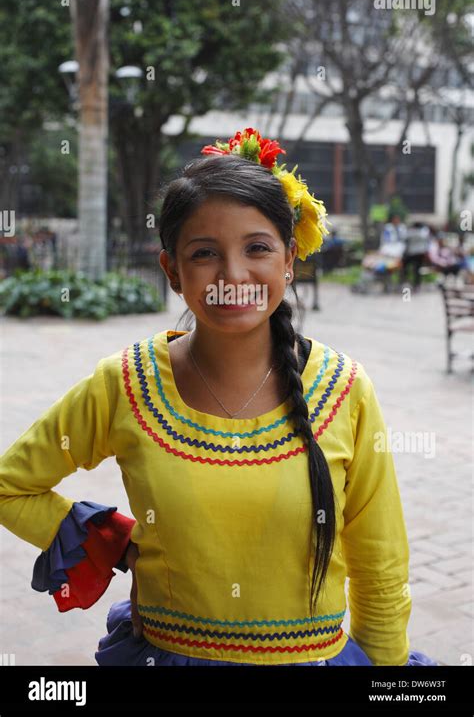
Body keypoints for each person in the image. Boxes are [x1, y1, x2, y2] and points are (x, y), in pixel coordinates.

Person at [0, 127, 439, 667]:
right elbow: (10, 486)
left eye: (257, 248)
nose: (233, 275)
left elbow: (381, 563)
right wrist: (107, 539)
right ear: (173, 273)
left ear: (289, 259)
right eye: (205, 253)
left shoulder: (346, 389)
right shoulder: (125, 383)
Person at [400, 221, 431, 291]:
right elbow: (427, 242)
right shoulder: (423, 232)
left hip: (411, 253)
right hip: (419, 253)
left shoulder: (410, 232)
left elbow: (404, 239)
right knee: (417, 270)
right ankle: (416, 284)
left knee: (407, 268)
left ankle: (407, 281)